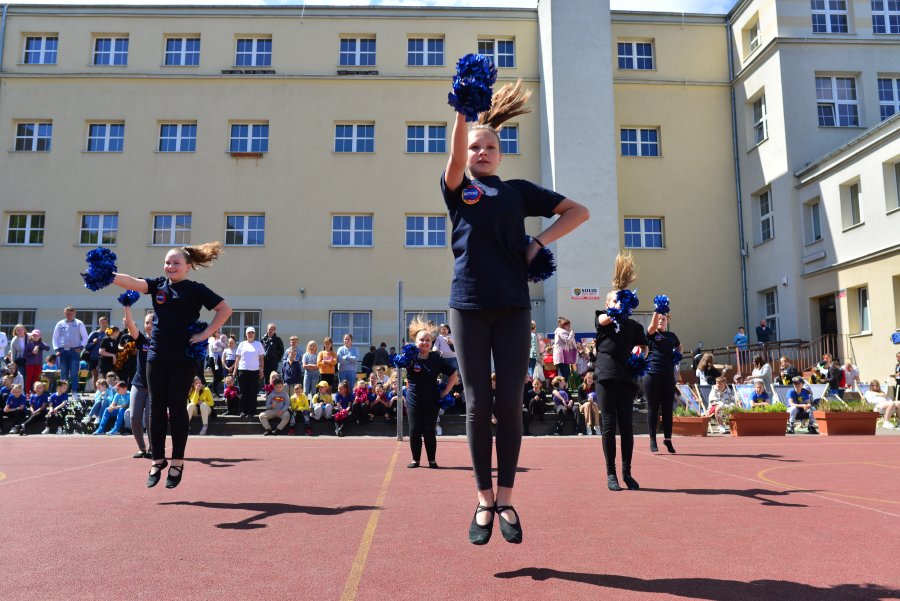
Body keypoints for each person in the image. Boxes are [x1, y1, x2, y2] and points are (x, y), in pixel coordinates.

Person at [443, 78, 589, 545]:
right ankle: (483, 500)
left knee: (508, 401)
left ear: (500, 155)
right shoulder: (458, 187)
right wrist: (465, 112)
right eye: (475, 147)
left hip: (512, 306)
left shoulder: (518, 192)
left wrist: (538, 242)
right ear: (467, 153)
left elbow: (578, 212)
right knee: (475, 402)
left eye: (489, 147)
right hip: (466, 305)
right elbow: (452, 159)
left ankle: (506, 497)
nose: (481, 152)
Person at [111, 241, 232, 488]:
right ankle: (157, 459)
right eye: (167, 262)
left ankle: (177, 461)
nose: (170, 266)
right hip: (156, 355)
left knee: (176, 407)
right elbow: (132, 282)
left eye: (176, 263)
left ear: (188, 266)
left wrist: (207, 333)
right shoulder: (157, 286)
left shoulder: (196, 289)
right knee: (155, 406)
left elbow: (224, 309)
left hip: (183, 357)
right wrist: (107, 275)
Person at [594, 253, 649, 492]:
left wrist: (640, 356)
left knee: (627, 426)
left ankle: (627, 472)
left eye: (620, 301)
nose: (617, 304)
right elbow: (606, 319)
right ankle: (610, 473)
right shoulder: (602, 317)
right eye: (613, 301)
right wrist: (615, 307)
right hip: (606, 375)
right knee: (608, 424)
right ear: (608, 304)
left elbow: (645, 346)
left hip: (627, 377)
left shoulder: (634, 326)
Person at [404, 316, 459, 469]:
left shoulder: (436, 359)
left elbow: (454, 374)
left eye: (428, 340)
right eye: (422, 340)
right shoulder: (410, 357)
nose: (425, 343)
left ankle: (432, 460)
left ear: (431, 343)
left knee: (429, 430)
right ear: (416, 342)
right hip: (413, 400)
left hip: (431, 400)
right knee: (414, 430)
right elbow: (397, 365)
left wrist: (445, 392)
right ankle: (415, 460)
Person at [643, 310, 682, 454]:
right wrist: (657, 311)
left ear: (667, 321)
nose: (661, 321)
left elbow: (679, 346)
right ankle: (653, 439)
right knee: (653, 407)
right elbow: (651, 327)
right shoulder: (652, 333)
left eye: (663, 319)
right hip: (652, 373)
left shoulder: (672, 336)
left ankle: (668, 439)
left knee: (667, 409)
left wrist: (678, 354)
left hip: (667, 374)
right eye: (659, 319)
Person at [123, 305, 153, 458]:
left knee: (150, 420)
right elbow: (130, 324)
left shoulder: (164, 342)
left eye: (152, 322)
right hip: (138, 383)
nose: (149, 325)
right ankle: (142, 448)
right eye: (147, 322)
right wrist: (127, 306)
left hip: (155, 387)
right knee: (134, 417)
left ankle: (153, 448)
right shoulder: (141, 340)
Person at [51, 305, 88, 397]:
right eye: (67, 314)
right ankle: (63, 393)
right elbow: (55, 338)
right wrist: (56, 349)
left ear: (74, 313)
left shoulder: (79, 323)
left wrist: (81, 347)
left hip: (74, 351)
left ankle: (74, 392)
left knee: (74, 372)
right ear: (65, 313)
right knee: (63, 373)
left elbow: (85, 337)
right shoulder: (60, 324)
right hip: (62, 351)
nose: (69, 315)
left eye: (71, 314)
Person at [233, 327, 265, 418]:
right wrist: (235, 370)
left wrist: (261, 370)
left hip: (254, 371)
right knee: (243, 392)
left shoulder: (258, 344)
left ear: (254, 334)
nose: (250, 334)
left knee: (253, 392)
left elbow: (261, 359)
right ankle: (243, 411)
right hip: (242, 370)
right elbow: (238, 358)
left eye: (252, 333)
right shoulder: (242, 344)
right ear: (246, 334)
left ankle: (251, 411)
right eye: (249, 333)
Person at [84, 316, 109, 391]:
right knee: (95, 375)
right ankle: (96, 392)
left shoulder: (110, 333)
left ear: (107, 323)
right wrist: (93, 343)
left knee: (105, 375)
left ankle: (105, 391)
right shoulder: (94, 334)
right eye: (102, 322)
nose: (104, 324)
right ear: (99, 323)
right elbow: (87, 346)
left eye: (105, 322)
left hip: (105, 357)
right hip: (94, 357)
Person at [24, 329, 50, 397]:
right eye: (34, 335)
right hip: (30, 364)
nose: (35, 337)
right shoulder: (29, 344)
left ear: (39, 336)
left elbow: (47, 348)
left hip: (38, 364)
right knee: (29, 378)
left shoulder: (41, 343)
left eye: (37, 335)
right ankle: (27, 392)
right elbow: (25, 354)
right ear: (31, 336)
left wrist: (40, 346)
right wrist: (32, 353)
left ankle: (34, 392)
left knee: (36, 378)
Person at [552, 317, 577, 383]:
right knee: (564, 374)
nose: (569, 327)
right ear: (563, 325)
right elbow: (567, 341)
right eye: (568, 325)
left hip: (562, 355)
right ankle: (562, 388)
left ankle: (562, 388)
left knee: (564, 373)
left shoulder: (559, 331)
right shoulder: (562, 331)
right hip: (562, 355)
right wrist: (571, 333)